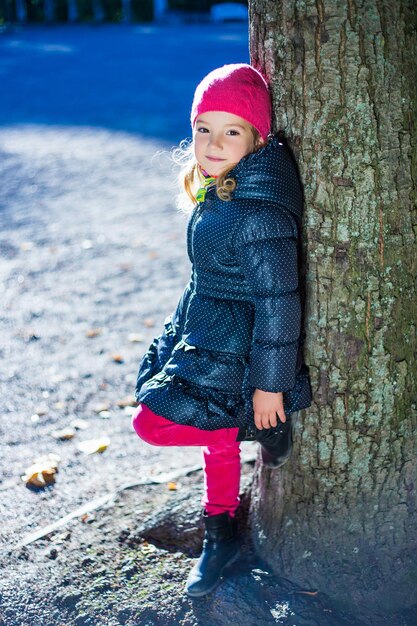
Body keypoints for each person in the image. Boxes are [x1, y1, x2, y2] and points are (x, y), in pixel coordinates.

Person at [131, 64, 312, 597]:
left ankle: (254, 428)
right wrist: (173, 335)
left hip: (240, 355)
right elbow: (203, 281)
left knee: (154, 424)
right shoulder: (221, 192)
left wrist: (269, 387)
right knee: (208, 436)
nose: (212, 143)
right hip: (207, 339)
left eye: (230, 130)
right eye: (203, 128)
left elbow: (279, 304)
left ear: (256, 137)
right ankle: (221, 531)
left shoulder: (257, 210)